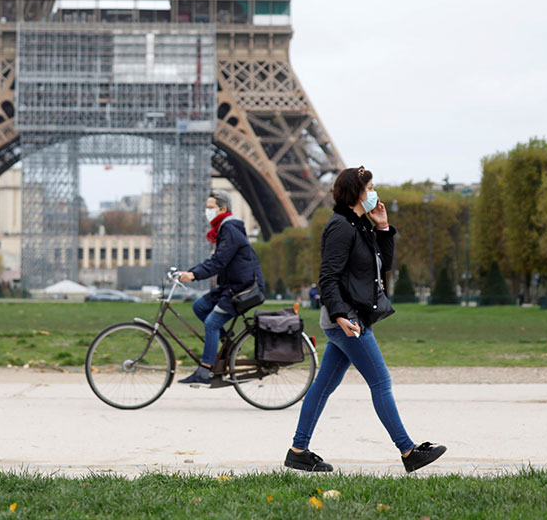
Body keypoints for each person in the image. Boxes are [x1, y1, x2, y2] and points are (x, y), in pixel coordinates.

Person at [284, 166, 445, 474]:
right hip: (347, 320)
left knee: (323, 386)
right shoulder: (341, 226)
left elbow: (380, 267)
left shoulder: (360, 224)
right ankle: (408, 451)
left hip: (352, 317)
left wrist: (383, 227)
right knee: (381, 381)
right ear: (357, 192)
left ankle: (298, 451)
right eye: (370, 187)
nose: (374, 193)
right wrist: (340, 314)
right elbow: (327, 277)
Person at [177, 189, 265, 385]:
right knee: (199, 306)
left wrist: (193, 275)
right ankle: (229, 344)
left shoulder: (230, 229)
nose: (206, 212)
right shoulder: (225, 228)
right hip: (231, 287)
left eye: (210, 208)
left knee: (211, 323)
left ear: (223, 209)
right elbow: (217, 261)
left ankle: (205, 370)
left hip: (243, 289)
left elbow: (219, 262)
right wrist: (192, 271)